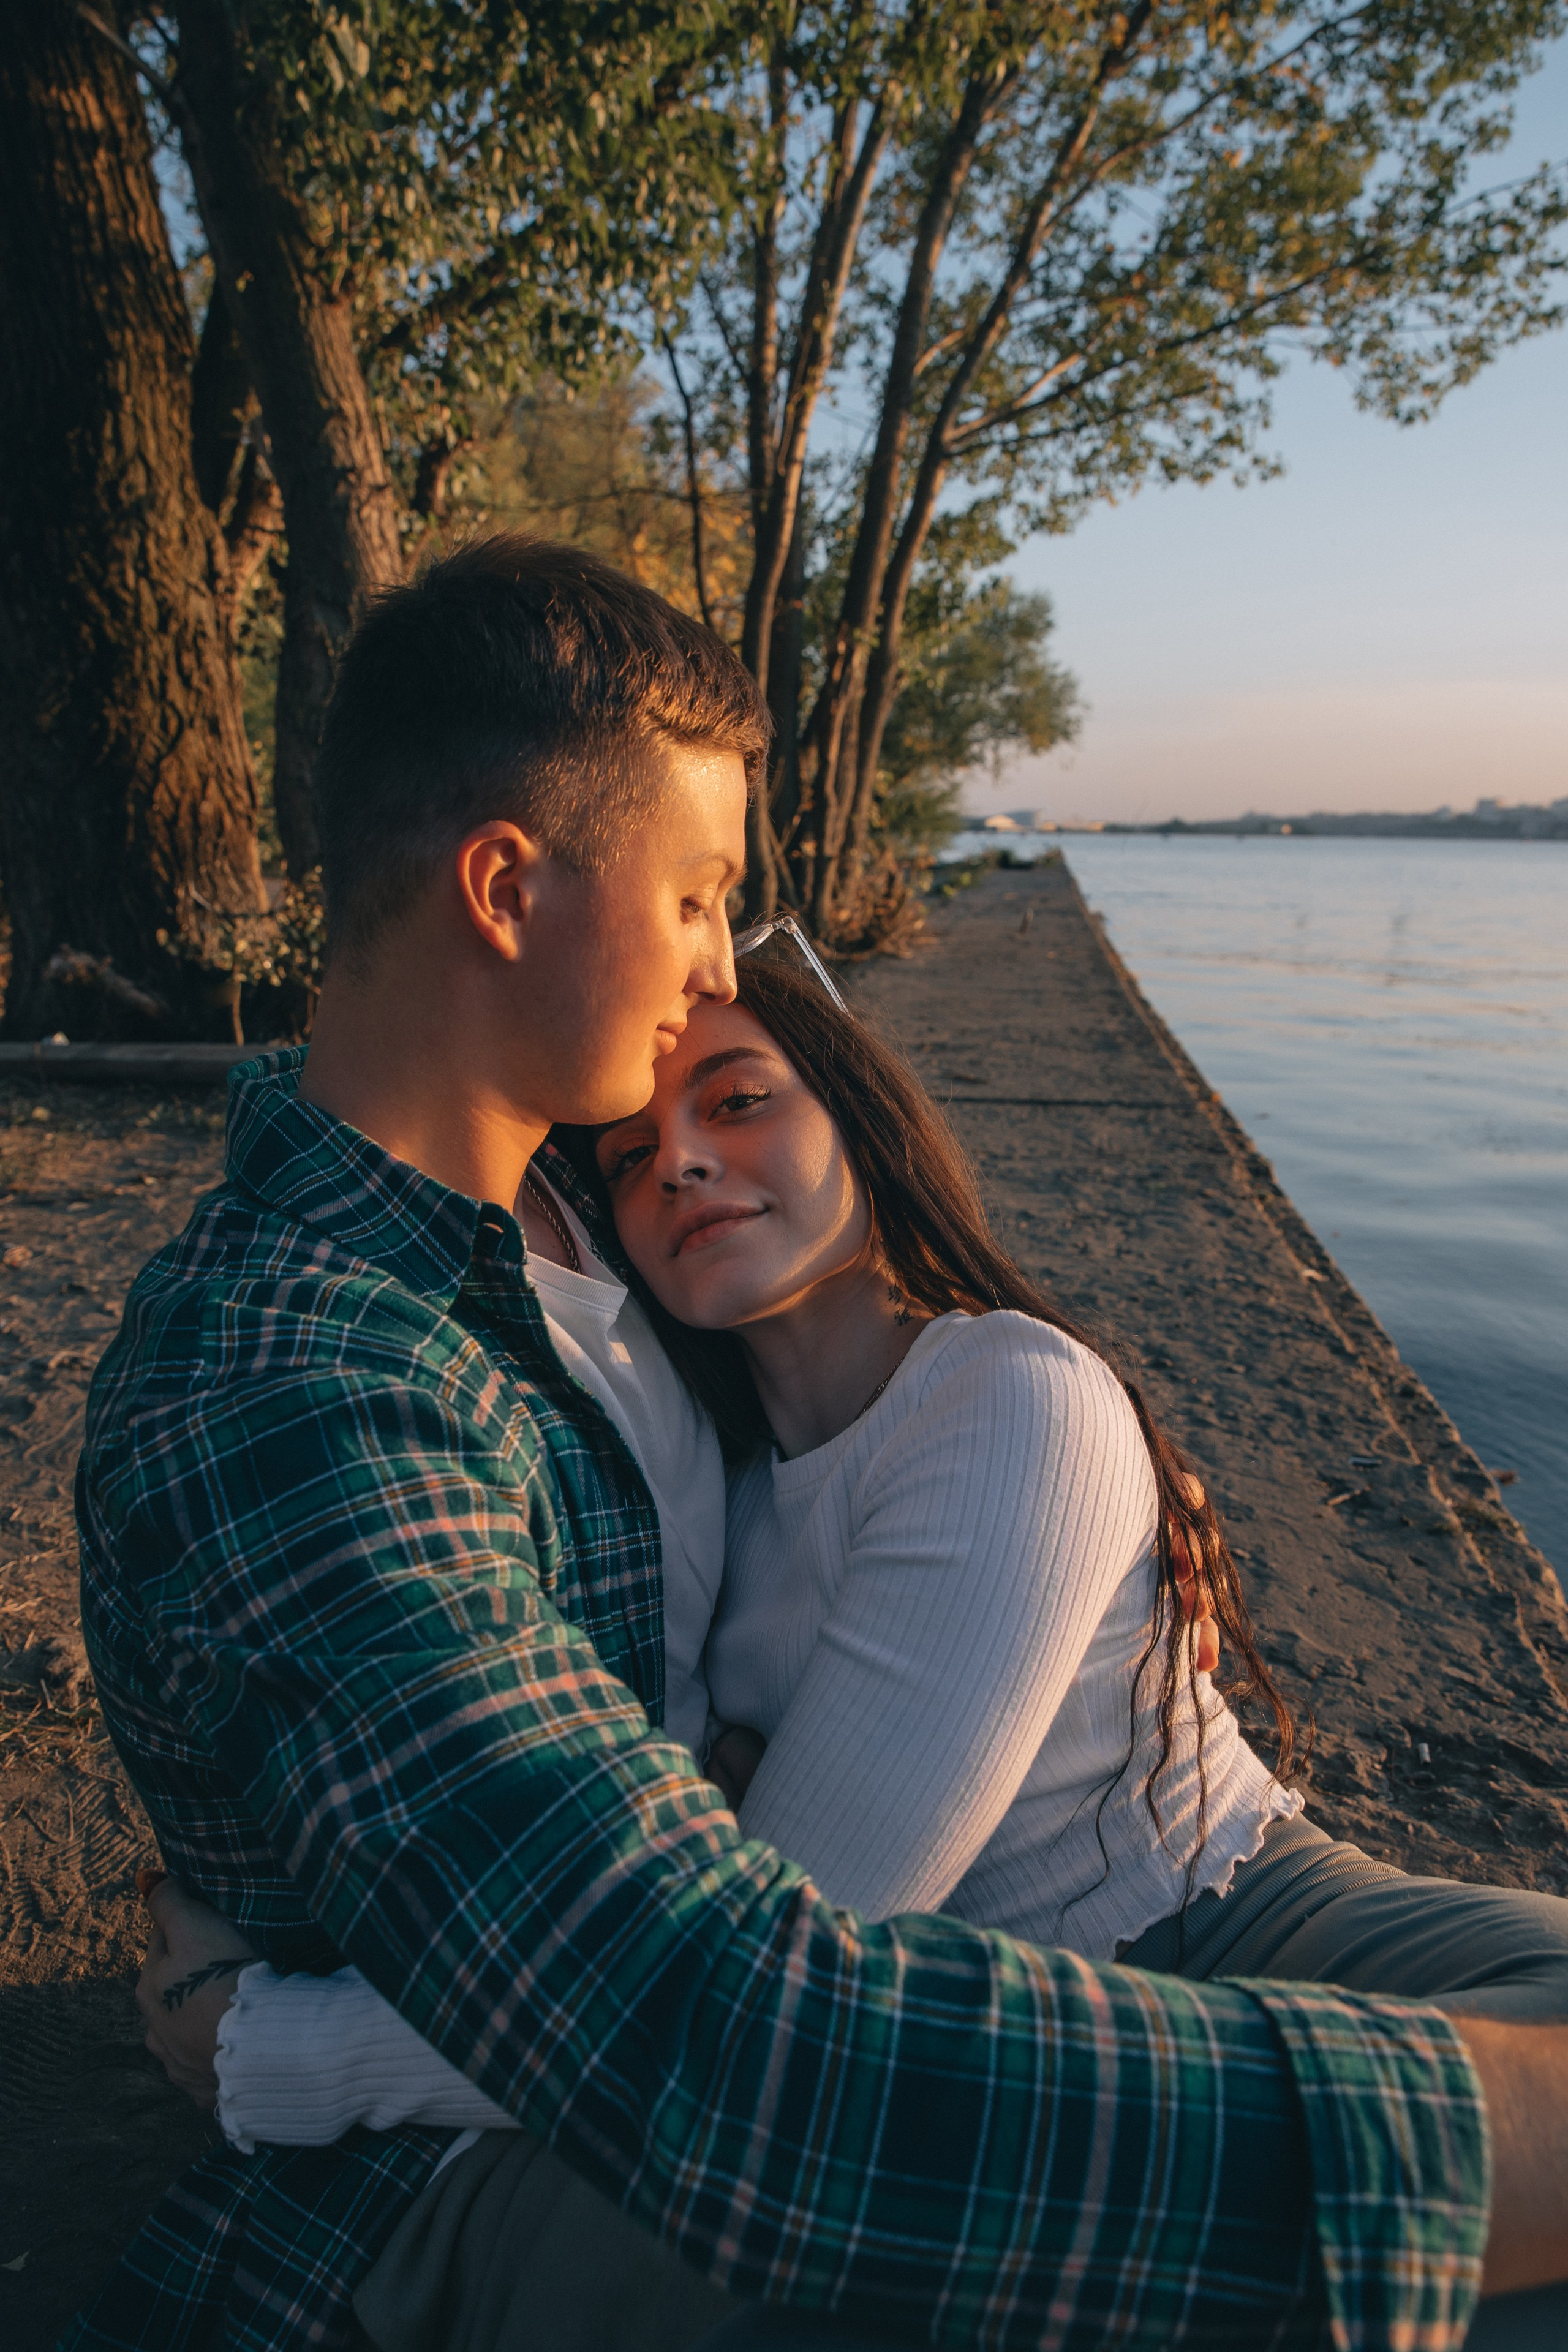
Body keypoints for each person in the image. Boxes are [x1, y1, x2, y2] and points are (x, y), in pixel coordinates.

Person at [72, 538, 1566, 2352]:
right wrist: (1499, 2150)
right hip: (547, 2149)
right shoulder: (298, 1384)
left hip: (756, 2014)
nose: (719, 963)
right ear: (504, 888)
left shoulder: (567, 1220)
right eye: (700, 894)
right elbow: (735, 2054)